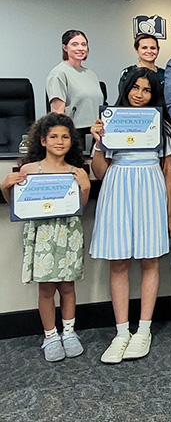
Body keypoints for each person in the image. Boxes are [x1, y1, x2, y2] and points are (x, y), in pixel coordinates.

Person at [89, 68, 171, 364]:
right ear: (126, 88)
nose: (140, 94)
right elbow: (99, 172)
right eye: (135, 88)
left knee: (150, 260)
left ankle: (143, 330)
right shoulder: (109, 122)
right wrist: (99, 142)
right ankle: (121, 332)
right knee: (119, 261)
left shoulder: (162, 126)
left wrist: (169, 213)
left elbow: (168, 171)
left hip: (150, 186)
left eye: (147, 90)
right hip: (117, 186)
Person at [1, 113, 91, 362]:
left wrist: (85, 187)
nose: (59, 141)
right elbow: (18, 206)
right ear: (43, 140)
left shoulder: (76, 171)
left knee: (68, 286)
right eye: (53, 137)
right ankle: (50, 335)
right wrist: (6, 186)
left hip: (68, 233)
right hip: (41, 234)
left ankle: (69, 332)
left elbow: (80, 208)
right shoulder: (29, 170)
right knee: (47, 287)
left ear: (72, 141)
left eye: (65, 137)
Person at [46, 29, 104, 142]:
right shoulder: (59, 73)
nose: (80, 48)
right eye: (75, 44)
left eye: (84, 44)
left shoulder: (91, 74)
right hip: (74, 134)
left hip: (95, 132)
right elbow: (57, 113)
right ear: (65, 47)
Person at [117, 33, 165, 98]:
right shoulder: (128, 73)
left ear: (158, 50)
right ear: (136, 50)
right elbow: (123, 97)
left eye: (153, 48)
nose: (149, 51)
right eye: (144, 48)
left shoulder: (164, 74)